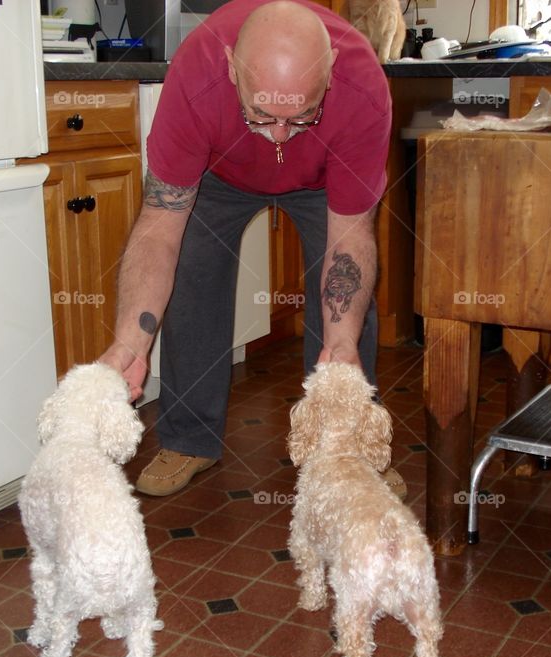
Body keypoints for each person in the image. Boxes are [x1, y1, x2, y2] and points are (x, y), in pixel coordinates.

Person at [99, 0, 406, 498]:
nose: (278, 135)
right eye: (261, 113)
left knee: (348, 303)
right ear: (230, 70)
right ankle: (189, 439)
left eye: (303, 114)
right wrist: (129, 345)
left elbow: (351, 236)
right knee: (193, 278)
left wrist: (342, 340)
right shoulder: (195, 75)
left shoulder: (362, 86)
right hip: (218, 175)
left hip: (320, 178)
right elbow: (158, 229)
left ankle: (344, 449)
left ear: (329, 74)